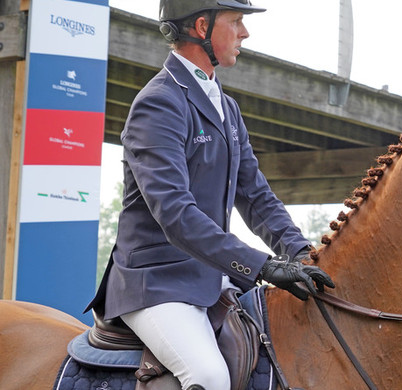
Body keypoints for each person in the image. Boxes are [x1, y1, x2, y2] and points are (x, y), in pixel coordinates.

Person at [84, 1, 335, 388]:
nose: (245, 33)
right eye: (235, 22)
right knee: (210, 375)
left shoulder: (227, 108)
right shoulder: (159, 103)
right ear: (202, 26)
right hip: (156, 282)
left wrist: (301, 252)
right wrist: (262, 265)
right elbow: (175, 214)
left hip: (209, 277)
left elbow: (256, 196)